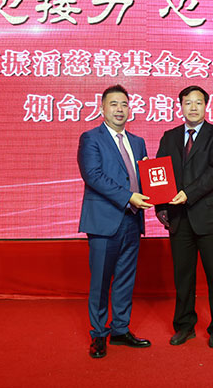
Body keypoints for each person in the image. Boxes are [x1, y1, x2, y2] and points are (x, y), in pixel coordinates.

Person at [78, 84, 153, 359]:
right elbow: (93, 175)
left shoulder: (138, 142)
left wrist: (156, 183)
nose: (119, 109)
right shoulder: (91, 138)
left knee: (125, 278)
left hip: (132, 220)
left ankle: (120, 329)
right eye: (113, 104)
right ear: (102, 108)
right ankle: (99, 334)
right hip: (104, 221)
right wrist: (128, 196)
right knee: (100, 281)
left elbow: (144, 178)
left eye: (124, 104)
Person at [155, 85, 213, 348]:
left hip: (209, 218)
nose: (193, 107)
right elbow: (160, 174)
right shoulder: (169, 137)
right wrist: (160, 207)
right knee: (183, 277)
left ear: (206, 106)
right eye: (188, 103)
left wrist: (188, 193)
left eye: (198, 102)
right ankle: (184, 325)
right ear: (181, 107)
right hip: (179, 219)